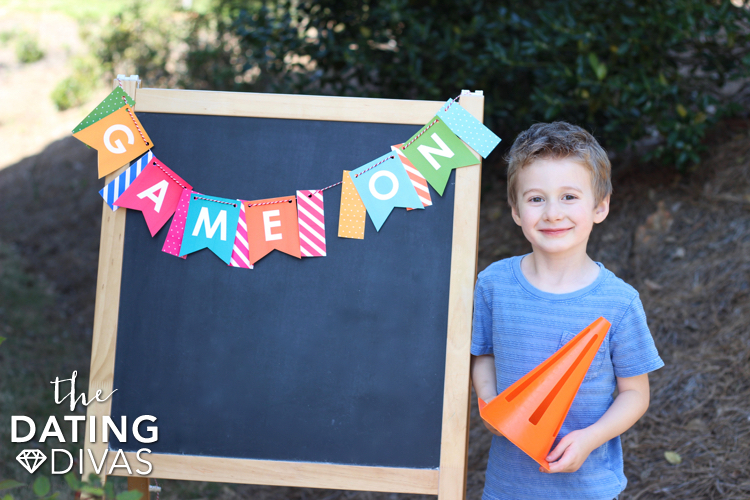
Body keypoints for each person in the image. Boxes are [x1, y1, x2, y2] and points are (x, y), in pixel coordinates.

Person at [471, 122, 664, 500]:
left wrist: (590, 439)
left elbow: (635, 394)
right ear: (515, 210)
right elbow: (483, 354)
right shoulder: (493, 284)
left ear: (600, 207)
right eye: (536, 199)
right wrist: (489, 397)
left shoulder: (619, 302)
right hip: (508, 486)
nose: (553, 213)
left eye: (569, 197)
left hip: (588, 487)